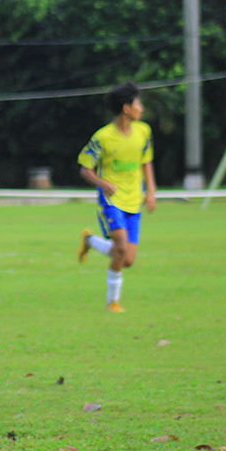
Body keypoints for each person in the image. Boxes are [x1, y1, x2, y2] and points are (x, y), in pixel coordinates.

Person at [76, 81, 156, 312]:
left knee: (127, 259)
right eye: (138, 104)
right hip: (111, 201)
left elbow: (146, 162)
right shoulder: (103, 138)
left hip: (134, 201)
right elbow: (85, 169)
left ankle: (90, 241)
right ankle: (113, 302)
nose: (141, 108)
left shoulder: (143, 132)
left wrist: (151, 192)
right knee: (120, 246)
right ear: (126, 108)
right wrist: (102, 183)